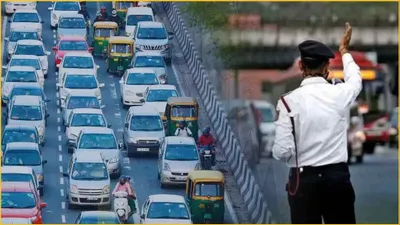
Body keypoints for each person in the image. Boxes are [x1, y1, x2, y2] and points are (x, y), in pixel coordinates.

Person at [272, 22, 359, 224]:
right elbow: (355, 80)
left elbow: (282, 151)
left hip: (303, 183)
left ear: (301, 66)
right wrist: (344, 51)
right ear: (326, 67)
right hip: (337, 180)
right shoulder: (340, 93)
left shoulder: (288, 102)